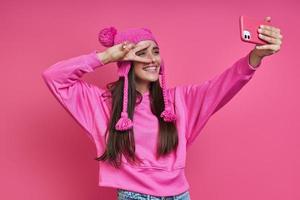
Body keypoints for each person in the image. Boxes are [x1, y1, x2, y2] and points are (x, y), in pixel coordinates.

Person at [41, 17, 282, 200]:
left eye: (155, 52)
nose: (152, 59)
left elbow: (224, 85)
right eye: (142, 53)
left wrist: (255, 57)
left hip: (179, 195)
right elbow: (53, 77)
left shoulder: (179, 101)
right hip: (133, 196)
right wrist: (106, 56)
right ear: (126, 62)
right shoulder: (102, 103)